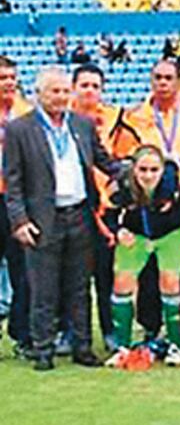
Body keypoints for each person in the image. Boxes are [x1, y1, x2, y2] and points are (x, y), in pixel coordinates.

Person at [4, 66, 117, 370]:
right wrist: (19, 221)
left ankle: (82, 347)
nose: (61, 97)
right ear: (39, 93)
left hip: (79, 213)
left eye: (66, 91)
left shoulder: (81, 124)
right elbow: (12, 182)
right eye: (55, 91)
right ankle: (43, 349)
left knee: (80, 286)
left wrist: (134, 172)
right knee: (43, 287)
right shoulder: (19, 130)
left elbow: (104, 160)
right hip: (42, 217)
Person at [104, 145, 180, 366]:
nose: (148, 175)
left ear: (162, 169)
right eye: (143, 169)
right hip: (136, 235)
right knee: (122, 283)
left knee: (170, 281)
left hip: (171, 234)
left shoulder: (173, 181)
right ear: (134, 169)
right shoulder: (122, 184)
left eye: (154, 170)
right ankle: (122, 347)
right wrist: (118, 231)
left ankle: (176, 344)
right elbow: (108, 214)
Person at [72, 64, 120, 349]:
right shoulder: (60, 121)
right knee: (74, 277)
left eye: (95, 86)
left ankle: (110, 330)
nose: (90, 91)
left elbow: (115, 162)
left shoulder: (115, 120)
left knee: (106, 275)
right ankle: (73, 333)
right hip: (72, 208)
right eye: (85, 85)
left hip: (107, 209)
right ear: (74, 87)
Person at [0, 55, 32, 358]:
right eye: (2, 77)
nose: (8, 82)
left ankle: (23, 335)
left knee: (24, 269)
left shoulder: (27, 113)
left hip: (18, 200)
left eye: (11, 76)